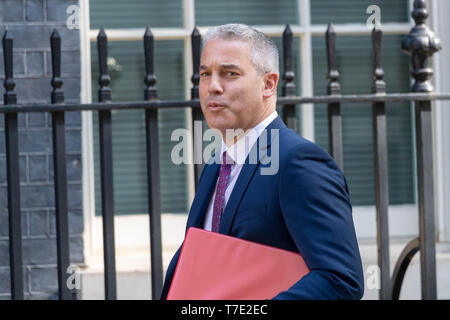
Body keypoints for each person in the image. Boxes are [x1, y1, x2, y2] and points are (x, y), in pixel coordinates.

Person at [160, 23, 364, 300]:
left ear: (268, 84)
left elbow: (341, 280)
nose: (213, 87)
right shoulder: (215, 165)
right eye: (205, 74)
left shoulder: (298, 161)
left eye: (229, 73)